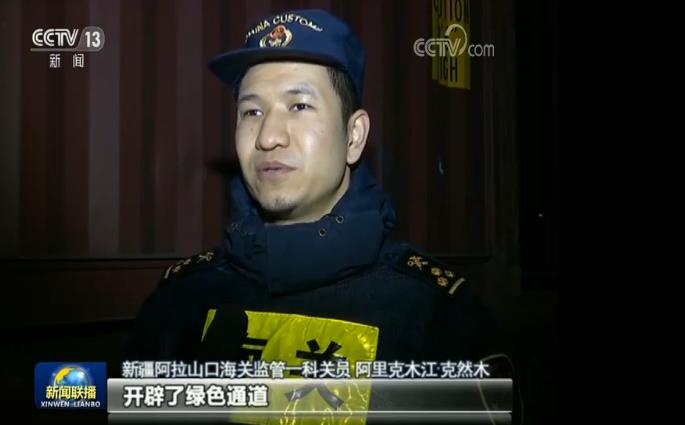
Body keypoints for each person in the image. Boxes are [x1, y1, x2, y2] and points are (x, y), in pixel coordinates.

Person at [124, 8, 506, 418]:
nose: (268, 137)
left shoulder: (438, 316)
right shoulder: (179, 303)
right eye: (252, 112)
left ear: (354, 137)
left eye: (300, 106)